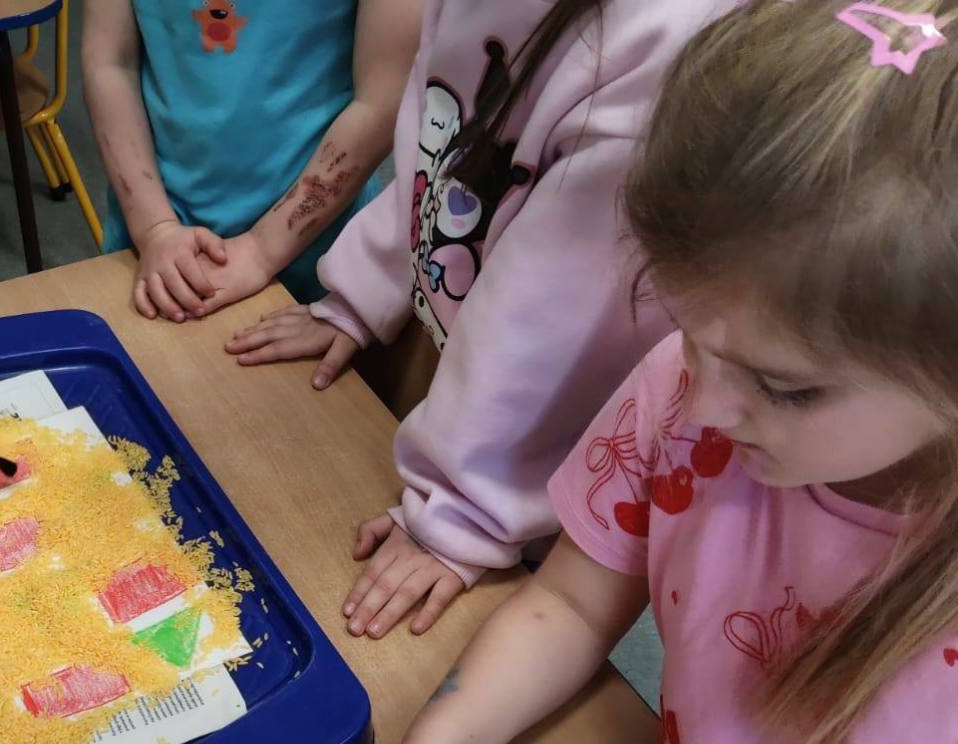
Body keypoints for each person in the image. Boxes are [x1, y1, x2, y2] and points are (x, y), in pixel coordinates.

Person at [327, 0, 958, 744]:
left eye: (782, 386)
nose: (703, 405)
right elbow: (568, 604)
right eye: (684, 328)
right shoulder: (697, 386)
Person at [228, 0, 737, 638]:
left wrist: (465, 515)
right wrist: (366, 290)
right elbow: (439, 138)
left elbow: (561, 316)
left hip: (536, 437)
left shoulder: (662, 47)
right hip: (466, 369)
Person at [83, 0, 421, 321]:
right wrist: (155, 227)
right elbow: (109, 64)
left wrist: (263, 249)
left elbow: (382, 100)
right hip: (150, 229)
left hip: (315, 250)